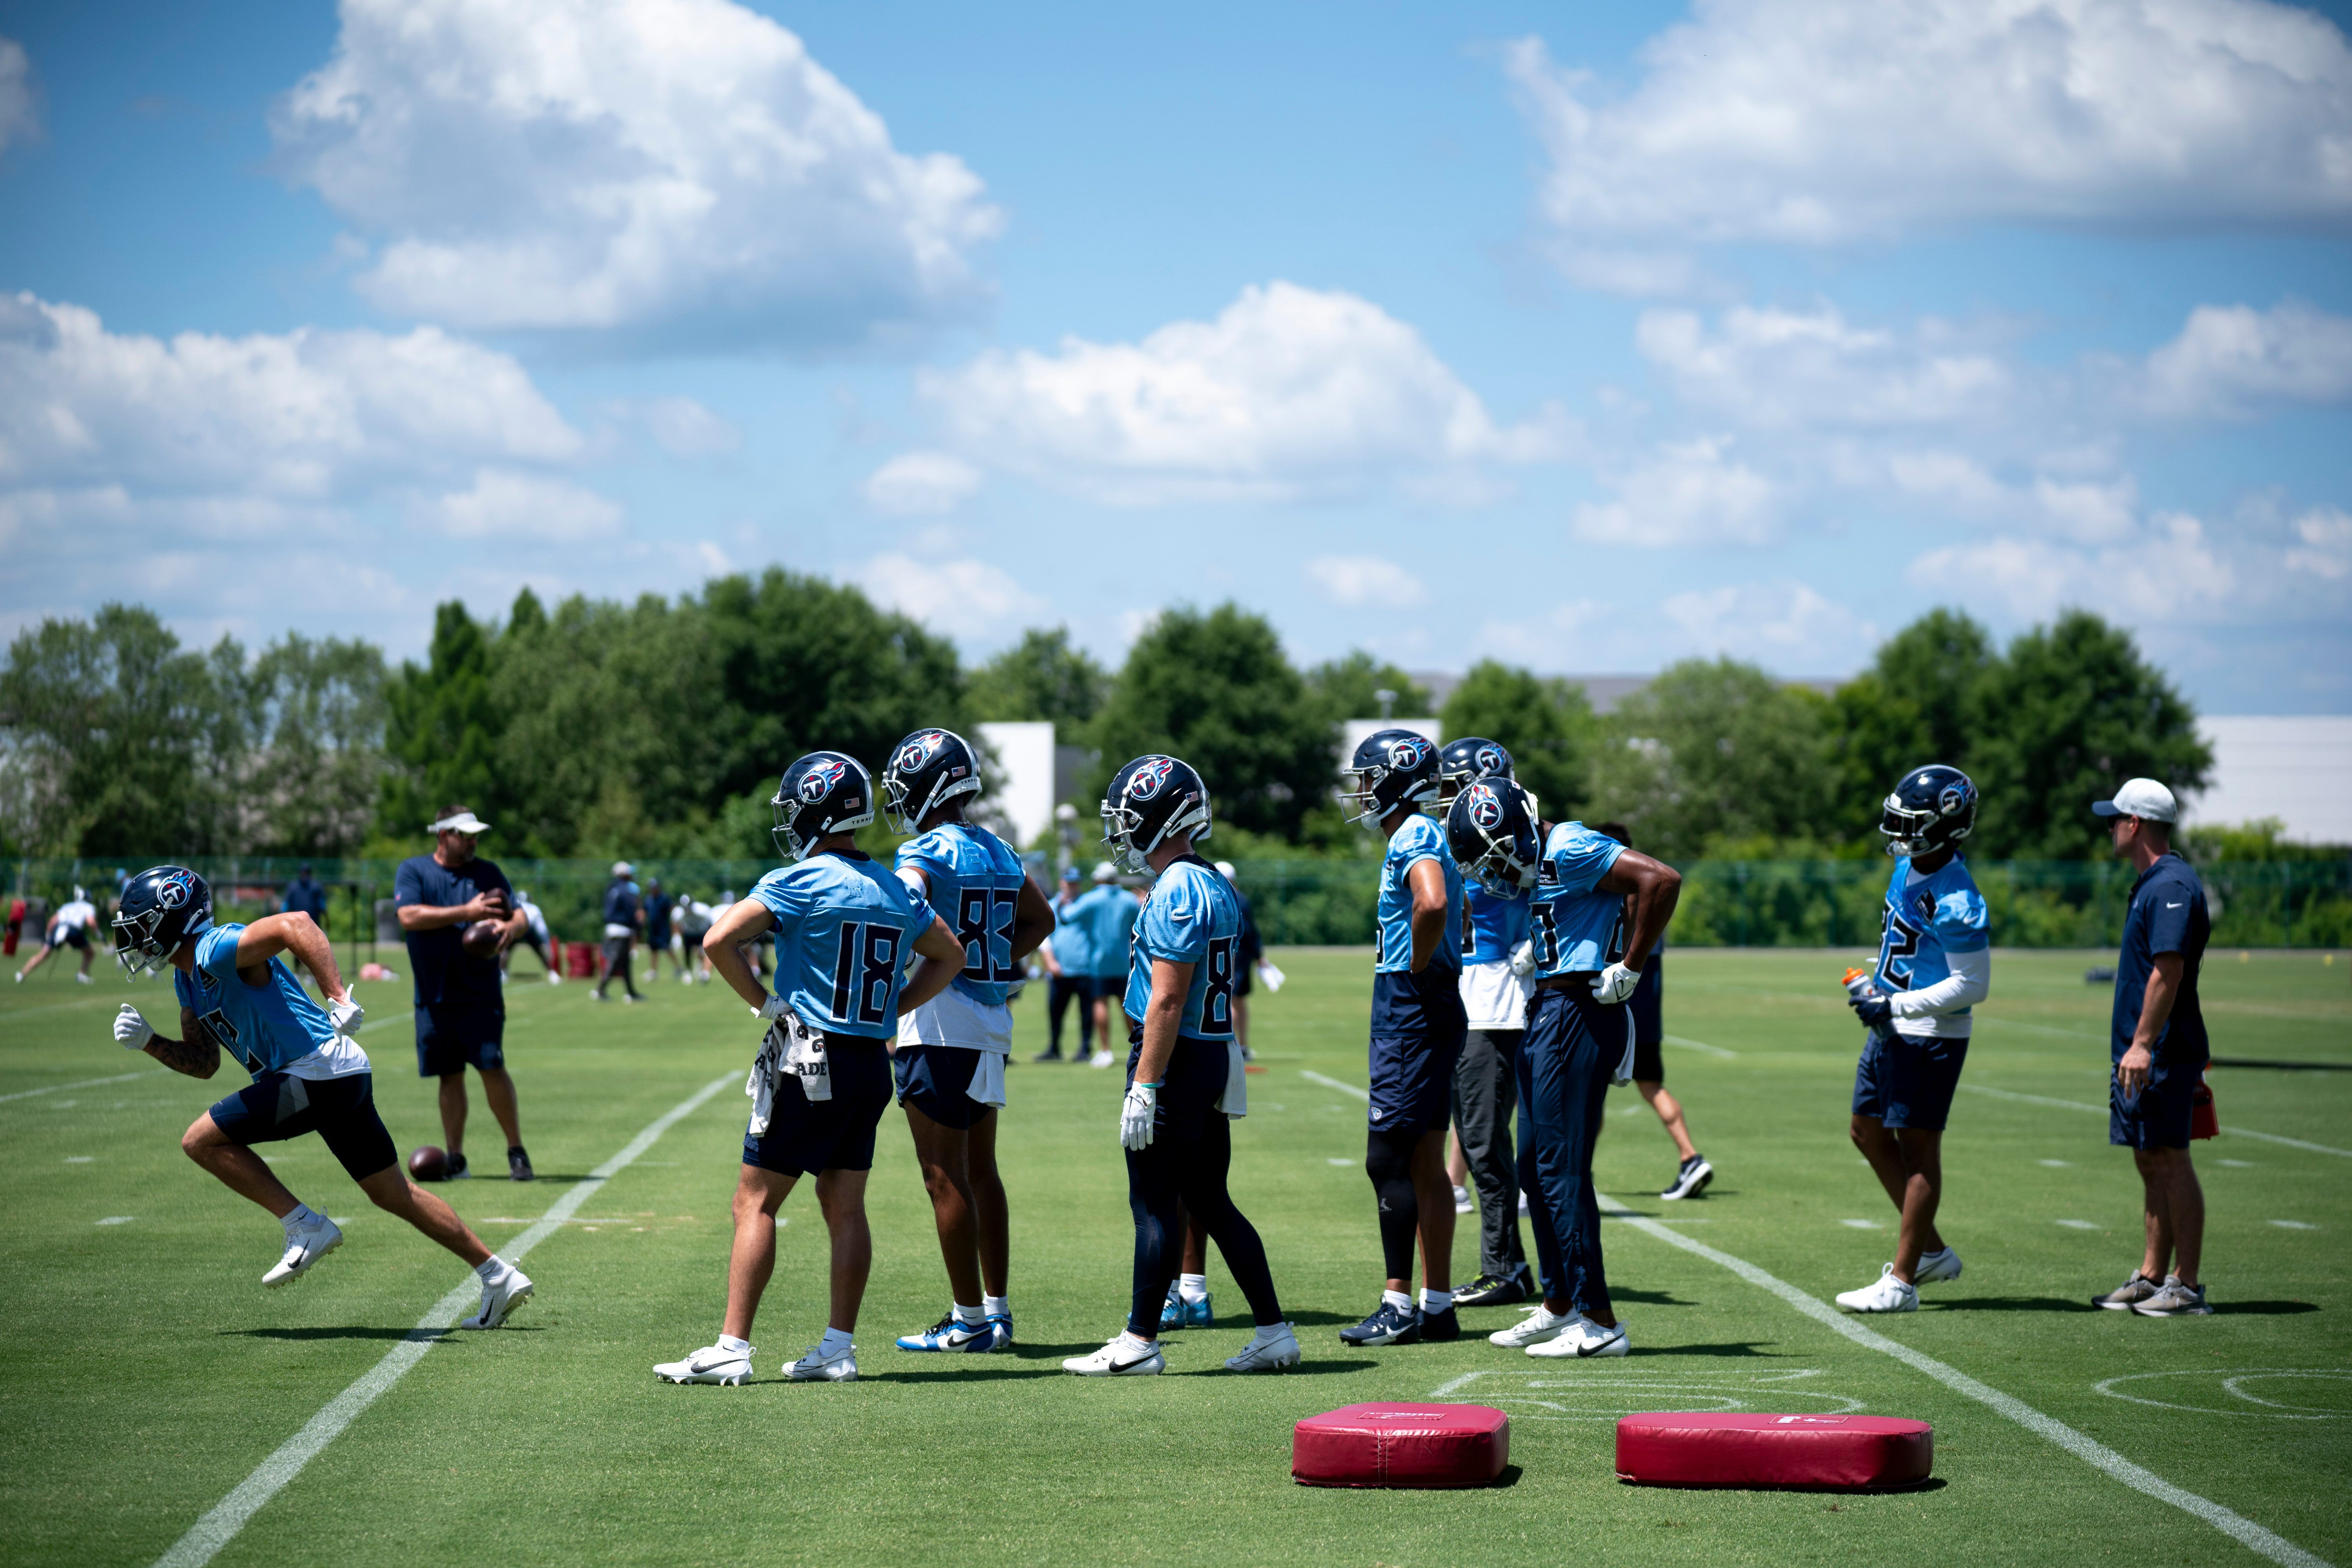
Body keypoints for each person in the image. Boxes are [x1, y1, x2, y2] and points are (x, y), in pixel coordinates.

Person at [656, 753, 966, 1386]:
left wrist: (763, 1002)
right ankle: (837, 1347)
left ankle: (733, 1347)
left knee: (755, 1203)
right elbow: (950, 955)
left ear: (815, 811)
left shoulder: (799, 881)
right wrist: (893, 1007)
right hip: (868, 1066)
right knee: (844, 1205)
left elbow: (718, 940)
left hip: (809, 1057)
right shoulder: (894, 886)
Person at [109, 866, 530, 1326]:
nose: (135, 937)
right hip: (337, 1074)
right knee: (394, 1193)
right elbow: (205, 1062)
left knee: (200, 1141)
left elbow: (298, 924)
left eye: (142, 924)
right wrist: (150, 1040)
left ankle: (302, 1225)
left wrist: (338, 997)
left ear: (173, 916)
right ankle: (497, 1273)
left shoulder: (214, 948)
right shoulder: (186, 977)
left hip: (315, 1074)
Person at [1062, 755, 1300, 1376]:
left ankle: (1140, 1342)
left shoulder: (1176, 887)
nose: (1121, 831)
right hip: (1210, 1052)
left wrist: (1145, 1082)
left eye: (1129, 818)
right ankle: (1274, 1330)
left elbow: (1168, 996)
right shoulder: (1213, 881)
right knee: (1210, 1199)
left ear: (1158, 816)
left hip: (1176, 1054)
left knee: (1154, 1202)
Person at [1452, 778, 1680, 1359]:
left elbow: (1659, 880)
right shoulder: (1540, 857)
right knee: (1533, 1167)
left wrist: (1629, 962)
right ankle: (1560, 1303)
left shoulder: (1572, 845)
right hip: (1549, 1006)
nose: (1497, 873)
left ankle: (1600, 1321)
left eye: (1498, 856)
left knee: (1560, 1172)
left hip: (1578, 1011)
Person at [880, 729, 1055, 1354]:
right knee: (982, 1172)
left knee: (942, 1176)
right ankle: (997, 1312)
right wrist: (991, 962)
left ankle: (969, 1321)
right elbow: (1042, 919)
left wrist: (901, 984)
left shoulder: (925, 852)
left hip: (937, 1023)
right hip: (990, 1024)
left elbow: (906, 914)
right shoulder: (1000, 848)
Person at [1835, 765, 1991, 1314]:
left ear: (1945, 826)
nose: (1899, 829)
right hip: (1891, 1027)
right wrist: (1879, 992)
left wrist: (1894, 1003)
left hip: (1928, 1035)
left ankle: (1902, 1281)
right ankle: (1931, 1251)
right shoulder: (1907, 867)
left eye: (1911, 821)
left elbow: (1973, 984)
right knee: (1866, 1132)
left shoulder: (1957, 894)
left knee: (1919, 1149)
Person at [1332, 729, 1465, 1348]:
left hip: (1413, 1004)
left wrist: (1414, 966)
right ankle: (1437, 1305)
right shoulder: (1422, 832)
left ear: (1392, 779)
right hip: (1430, 1003)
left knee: (1386, 1159)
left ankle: (1398, 1304)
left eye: (1367, 778)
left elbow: (1431, 903)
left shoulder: (1414, 832)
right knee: (1423, 1162)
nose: (1361, 791)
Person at [2091, 778, 2214, 1316]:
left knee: (2169, 1157)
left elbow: (2169, 968)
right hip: (2142, 1053)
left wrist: (2142, 1043)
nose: (2110, 828)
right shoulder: (2152, 882)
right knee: (2149, 1158)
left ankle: (2186, 1285)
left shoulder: (2172, 884)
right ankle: (2151, 1275)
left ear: (2134, 824)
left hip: (2160, 1052)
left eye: (2114, 819)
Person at [1434, 739, 1538, 1310]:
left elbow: (1556, 884)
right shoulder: (1460, 833)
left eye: (1453, 786)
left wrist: (1536, 947)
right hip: (1469, 996)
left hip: (1499, 1001)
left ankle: (1507, 1268)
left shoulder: (1523, 826)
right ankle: (1510, 1264)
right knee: (1478, 1141)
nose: (1446, 799)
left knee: (1482, 1141)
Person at [395, 807, 534, 1182]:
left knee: (492, 1066)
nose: (473, 842)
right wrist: (467, 911)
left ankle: (516, 1151)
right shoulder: (414, 871)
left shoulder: (488, 872)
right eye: (464, 835)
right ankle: (456, 1157)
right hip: (433, 995)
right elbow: (408, 917)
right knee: (449, 1075)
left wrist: (510, 930)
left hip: (480, 993)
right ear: (443, 835)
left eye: (476, 835)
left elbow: (520, 916)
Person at [1592, 822, 1713, 1202]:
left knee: (1589, 1091)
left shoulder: (1616, 896)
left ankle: (1577, 1169)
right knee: (1651, 1085)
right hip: (1645, 1013)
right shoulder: (1653, 894)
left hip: (1615, 1008)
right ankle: (1690, 1157)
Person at [1080, 863, 1142, 1066]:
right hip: (1124, 961)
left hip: (1099, 962)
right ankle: (1139, 1047)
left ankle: (1106, 1051)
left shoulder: (1091, 899)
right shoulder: (1128, 899)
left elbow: (1067, 916)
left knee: (1100, 1002)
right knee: (1127, 1006)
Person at [1037, 864, 1096, 1062]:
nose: (1072, 886)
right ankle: (1054, 1048)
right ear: (1062, 882)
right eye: (1068, 882)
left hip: (1084, 968)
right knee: (1055, 1012)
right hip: (1059, 970)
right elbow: (1045, 938)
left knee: (1087, 1013)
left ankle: (1085, 1049)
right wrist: (1051, 962)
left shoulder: (1087, 905)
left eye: (1075, 882)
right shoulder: (1052, 905)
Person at [16, 884, 99, 984]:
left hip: (59, 929)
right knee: (90, 953)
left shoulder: (68, 906)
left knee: (43, 954)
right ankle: (81, 975)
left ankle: (22, 974)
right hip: (74, 931)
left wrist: (48, 936)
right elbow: (91, 923)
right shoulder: (88, 907)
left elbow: (53, 921)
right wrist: (98, 933)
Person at [595, 862, 644, 1003]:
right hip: (622, 930)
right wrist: (638, 926)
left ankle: (631, 992)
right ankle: (600, 989)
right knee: (616, 961)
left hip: (611, 928)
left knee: (624, 962)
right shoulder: (626, 890)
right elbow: (630, 912)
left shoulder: (611, 888)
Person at [503, 889, 562, 985]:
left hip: (516, 928)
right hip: (528, 929)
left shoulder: (513, 907)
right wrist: (547, 944)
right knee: (540, 951)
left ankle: (503, 973)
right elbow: (542, 929)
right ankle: (552, 973)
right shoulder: (534, 909)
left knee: (506, 950)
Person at [676, 893, 715, 984]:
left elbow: (711, 922)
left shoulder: (702, 910)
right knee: (687, 953)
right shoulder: (678, 913)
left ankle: (701, 967)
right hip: (689, 933)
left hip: (701, 933)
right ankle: (688, 972)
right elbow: (676, 923)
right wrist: (677, 935)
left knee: (703, 952)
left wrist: (709, 934)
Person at [642, 877, 673, 982]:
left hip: (663, 928)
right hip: (653, 928)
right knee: (654, 950)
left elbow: (671, 910)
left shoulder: (664, 898)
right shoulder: (648, 899)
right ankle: (653, 971)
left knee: (667, 948)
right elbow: (645, 911)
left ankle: (678, 968)